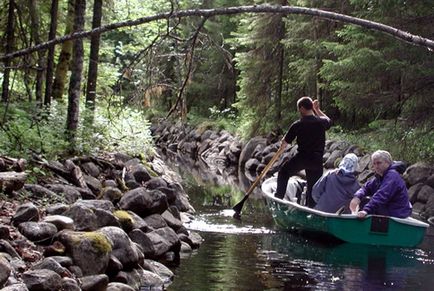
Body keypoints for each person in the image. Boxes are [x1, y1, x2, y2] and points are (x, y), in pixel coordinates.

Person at [274, 96, 331, 207]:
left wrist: (283, 143)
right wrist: (317, 110)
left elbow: (285, 143)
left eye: (298, 109)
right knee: (313, 188)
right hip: (317, 160)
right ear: (311, 108)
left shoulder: (297, 124)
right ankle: (312, 211)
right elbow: (328, 120)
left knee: (283, 173)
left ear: (302, 108)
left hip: (303, 158)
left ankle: (278, 200)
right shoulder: (321, 122)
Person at [349, 150, 412, 218]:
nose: (376, 166)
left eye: (379, 163)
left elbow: (382, 195)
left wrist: (366, 210)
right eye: (374, 164)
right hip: (389, 212)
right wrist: (357, 197)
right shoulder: (380, 176)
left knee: (367, 206)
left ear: (388, 162)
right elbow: (366, 187)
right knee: (364, 201)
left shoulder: (392, 176)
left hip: (397, 214)